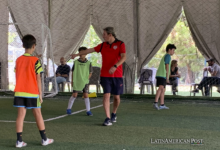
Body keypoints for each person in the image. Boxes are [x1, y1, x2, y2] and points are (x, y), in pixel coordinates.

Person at [70, 27, 126, 126]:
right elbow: (89, 50)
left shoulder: (120, 44)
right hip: (105, 75)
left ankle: (114, 113)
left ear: (110, 35)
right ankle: (108, 118)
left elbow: (124, 57)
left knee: (116, 97)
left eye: (104, 34)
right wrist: (77, 54)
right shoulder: (102, 45)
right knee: (106, 95)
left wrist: (115, 66)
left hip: (117, 75)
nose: (103, 36)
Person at [14, 34, 53, 148]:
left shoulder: (18, 60)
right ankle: (44, 139)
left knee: (20, 116)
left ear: (23, 45)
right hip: (32, 92)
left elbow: (17, 73)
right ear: (34, 46)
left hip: (19, 92)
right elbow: (39, 79)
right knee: (38, 115)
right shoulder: (36, 60)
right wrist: (40, 94)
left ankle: (19, 141)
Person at [66, 47, 93, 116]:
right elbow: (72, 72)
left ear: (86, 54)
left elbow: (90, 72)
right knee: (74, 95)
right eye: (80, 52)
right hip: (77, 81)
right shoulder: (76, 62)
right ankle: (69, 108)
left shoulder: (89, 63)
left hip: (85, 82)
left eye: (83, 52)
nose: (81, 54)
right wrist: (72, 81)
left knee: (86, 95)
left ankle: (88, 110)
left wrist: (86, 79)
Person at [153, 44, 176, 110]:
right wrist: (167, 77)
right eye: (173, 50)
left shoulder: (166, 56)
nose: (173, 52)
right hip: (162, 75)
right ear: (169, 49)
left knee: (163, 90)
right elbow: (167, 66)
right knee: (161, 88)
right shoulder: (168, 56)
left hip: (162, 75)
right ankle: (155, 102)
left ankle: (162, 104)